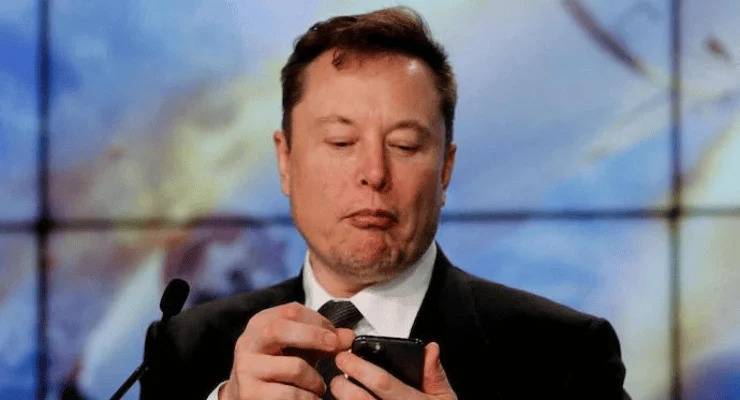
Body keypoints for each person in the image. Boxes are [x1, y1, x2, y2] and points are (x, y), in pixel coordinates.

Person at [140, 7, 630, 400]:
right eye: (341, 142)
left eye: (405, 145)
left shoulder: (565, 353)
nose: (374, 173)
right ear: (285, 161)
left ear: (445, 169)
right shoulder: (187, 348)